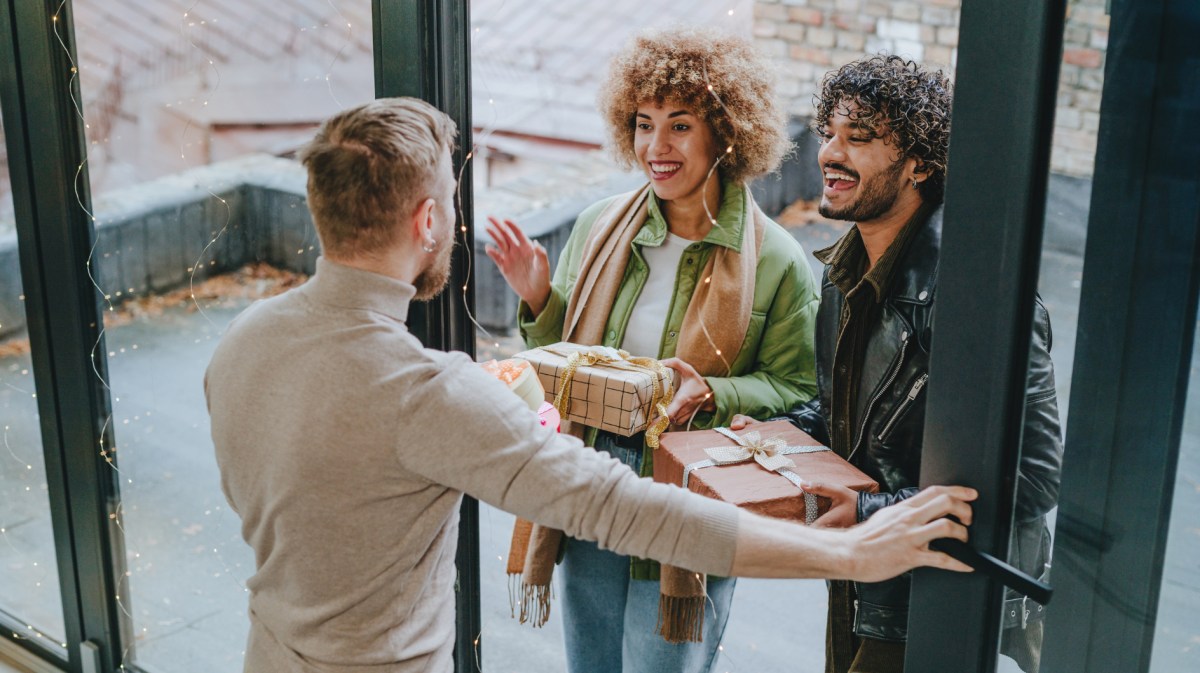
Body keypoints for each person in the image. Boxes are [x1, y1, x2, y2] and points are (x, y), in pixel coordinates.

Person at [204, 96, 978, 673]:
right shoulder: (430, 394)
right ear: (429, 223)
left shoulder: (242, 340)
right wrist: (849, 555)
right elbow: (629, 510)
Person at [485, 27, 815, 673]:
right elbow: (570, 369)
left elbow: (797, 390)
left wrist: (715, 392)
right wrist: (538, 300)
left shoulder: (777, 260)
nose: (655, 147)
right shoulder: (599, 226)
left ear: (726, 131)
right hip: (593, 484)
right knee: (593, 663)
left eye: (680, 126)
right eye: (643, 124)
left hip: (691, 493)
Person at [734, 55, 1064, 673]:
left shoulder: (978, 297)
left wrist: (871, 510)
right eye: (828, 131)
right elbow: (851, 414)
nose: (829, 153)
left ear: (921, 163)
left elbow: (1036, 476)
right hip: (866, 577)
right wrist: (781, 435)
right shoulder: (842, 270)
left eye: (858, 139)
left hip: (943, 597)